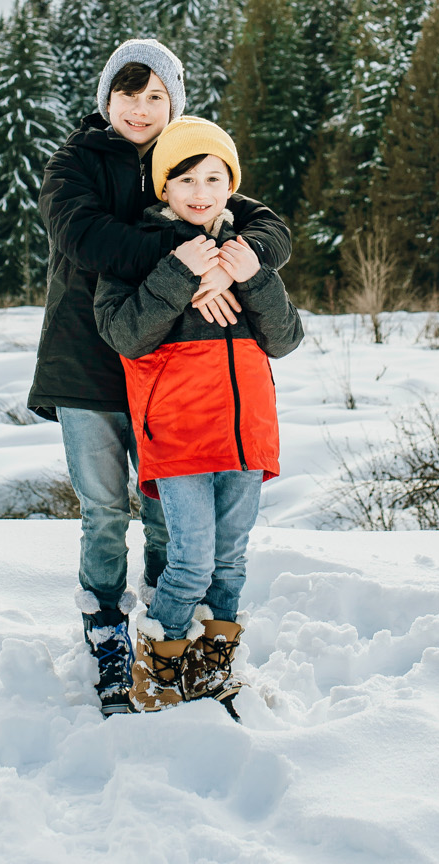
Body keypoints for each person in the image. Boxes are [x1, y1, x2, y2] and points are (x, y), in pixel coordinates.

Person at [28, 39, 291, 716]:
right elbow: (90, 240)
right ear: (106, 99)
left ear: (174, 101)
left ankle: (164, 631)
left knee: (170, 516)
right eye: (127, 93)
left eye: (155, 96)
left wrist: (235, 258)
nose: (140, 109)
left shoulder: (183, 163)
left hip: (168, 369)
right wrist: (194, 256)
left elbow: (267, 225)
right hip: (90, 362)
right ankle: (108, 630)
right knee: (105, 508)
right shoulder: (74, 164)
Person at [93, 116, 304, 712]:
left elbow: (285, 338)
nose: (200, 191)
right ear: (164, 187)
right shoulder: (140, 250)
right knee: (190, 562)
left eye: (214, 178)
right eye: (185, 179)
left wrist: (252, 277)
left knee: (231, 564)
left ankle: (211, 673)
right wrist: (182, 274)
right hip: (181, 432)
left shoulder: (244, 249)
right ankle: (158, 671)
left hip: (246, 430)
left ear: (230, 185)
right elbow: (124, 334)